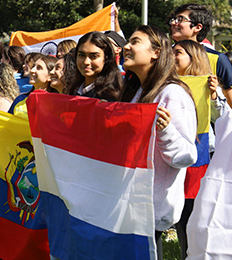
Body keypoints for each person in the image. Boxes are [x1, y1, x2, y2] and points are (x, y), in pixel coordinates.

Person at [119, 25, 198, 260]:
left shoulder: (172, 94)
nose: (126, 47)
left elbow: (186, 156)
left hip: (149, 210)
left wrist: (165, 131)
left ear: (155, 52)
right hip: (128, 204)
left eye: (135, 42)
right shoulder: (135, 92)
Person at [172, 39, 219, 260]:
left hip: (197, 165)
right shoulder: (163, 85)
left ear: (194, 59)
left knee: (192, 220)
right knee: (180, 220)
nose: (172, 57)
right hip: (171, 161)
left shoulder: (210, 89)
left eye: (178, 53)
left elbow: (222, 123)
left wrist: (213, 98)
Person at [169, 3, 232, 108]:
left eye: (180, 19)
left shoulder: (217, 59)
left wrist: (214, 96)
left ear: (198, 27)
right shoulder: (163, 57)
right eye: (173, 19)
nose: (173, 23)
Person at [66, 31, 122, 102]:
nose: (86, 62)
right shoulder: (72, 92)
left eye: (94, 56)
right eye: (81, 55)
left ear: (107, 58)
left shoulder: (112, 97)